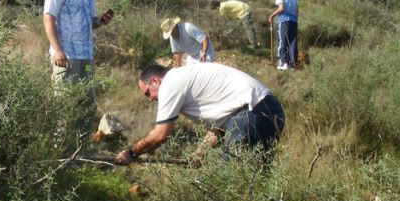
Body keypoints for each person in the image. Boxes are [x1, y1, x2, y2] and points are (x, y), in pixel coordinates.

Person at [114, 63, 286, 165]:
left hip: (252, 112)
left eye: (148, 93)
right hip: (270, 110)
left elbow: (160, 135)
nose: (150, 99)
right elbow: (219, 128)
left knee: (229, 179)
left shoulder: (170, 83)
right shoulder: (186, 77)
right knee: (256, 177)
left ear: (155, 81)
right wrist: (198, 155)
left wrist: (131, 152)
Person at [44, 0, 113, 138]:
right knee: (64, 105)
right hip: (65, 58)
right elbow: (48, 19)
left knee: (87, 105)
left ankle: (80, 150)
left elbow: (90, 23)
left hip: (86, 56)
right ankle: (60, 150)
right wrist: (58, 50)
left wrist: (101, 21)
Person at [268, 0, 299, 71]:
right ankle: (292, 65)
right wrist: (295, 19)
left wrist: (272, 15)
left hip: (284, 20)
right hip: (294, 21)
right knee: (293, 42)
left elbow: (281, 8)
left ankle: (283, 63)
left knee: (282, 41)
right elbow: (297, 10)